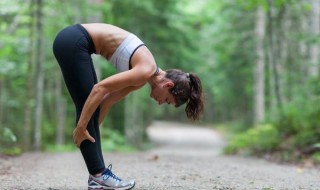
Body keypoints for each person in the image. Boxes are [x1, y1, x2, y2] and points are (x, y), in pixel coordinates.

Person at [52, 23, 204, 190]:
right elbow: (100, 89)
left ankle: (98, 178)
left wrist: (93, 131)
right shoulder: (145, 70)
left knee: (90, 107)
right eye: (167, 100)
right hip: (74, 40)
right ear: (168, 85)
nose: (161, 103)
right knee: (86, 103)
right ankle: (98, 177)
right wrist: (82, 126)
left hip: (75, 42)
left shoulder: (142, 77)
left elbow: (107, 100)